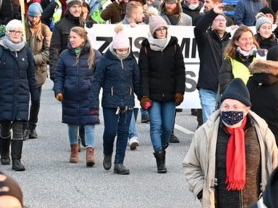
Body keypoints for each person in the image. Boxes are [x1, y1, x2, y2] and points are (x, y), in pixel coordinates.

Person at [182, 79, 278, 208]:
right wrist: (202, 191)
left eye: (236, 107)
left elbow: (275, 167)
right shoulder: (206, 133)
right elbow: (191, 166)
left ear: (247, 109)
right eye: (226, 106)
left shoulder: (261, 132)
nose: (230, 110)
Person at [0, 19, 39, 172]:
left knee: (18, 128)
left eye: (19, 31)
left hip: (21, 95)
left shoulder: (26, 50)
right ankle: (4, 153)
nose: (16, 34)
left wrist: (35, 95)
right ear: (7, 33)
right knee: (4, 127)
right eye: (13, 31)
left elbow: (30, 75)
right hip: (3, 94)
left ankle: (17, 160)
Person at [139, 15, 186, 173]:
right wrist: (144, 95)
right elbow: (143, 73)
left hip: (170, 94)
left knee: (167, 127)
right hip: (153, 94)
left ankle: (163, 145)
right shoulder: (146, 48)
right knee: (156, 126)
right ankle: (159, 156)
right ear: (153, 32)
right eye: (158, 29)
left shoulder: (174, 46)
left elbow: (180, 71)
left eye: (163, 28)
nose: (161, 32)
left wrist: (180, 91)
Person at [90, 31, 140, 175]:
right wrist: (93, 100)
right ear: (114, 48)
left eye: (125, 50)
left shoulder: (132, 61)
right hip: (110, 102)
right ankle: (107, 153)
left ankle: (119, 162)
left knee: (124, 133)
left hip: (127, 101)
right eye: (120, 50)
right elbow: (97, 81)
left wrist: (143, 98)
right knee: (110, 131)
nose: (123, 52)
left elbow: (137, 81)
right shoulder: (105, 60)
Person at [52, 26, 99, 167]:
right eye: (70, 37)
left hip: (88, 95)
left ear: (83, 39)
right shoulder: (64, 55)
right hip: (70, 95)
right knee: (72, 124)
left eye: (74, 37)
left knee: (90, 123)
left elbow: (100, 74)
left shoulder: (95, 54)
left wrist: (93, 87)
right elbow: (59, 75)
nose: (71, 40)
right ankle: (74, 149)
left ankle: (90, 151)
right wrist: (58, 91)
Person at [195, 0, 232, 121]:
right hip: (208, 88)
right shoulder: (206, 39)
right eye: (217, 19)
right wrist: (213, 12)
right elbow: (199, 29)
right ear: (211, 24)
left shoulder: (231, 42)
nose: (221, 21)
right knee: (210, 122)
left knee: (225, 122)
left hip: (226, 88)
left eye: (223, 20)